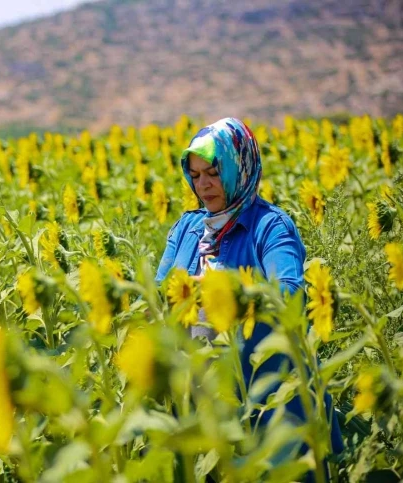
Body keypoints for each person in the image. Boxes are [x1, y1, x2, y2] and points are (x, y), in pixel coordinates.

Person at [155, 118, 343, 468]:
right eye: (195, 176)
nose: (204, 185)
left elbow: (289, 296)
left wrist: (224, 291)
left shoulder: (269, 226)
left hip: (270, 407)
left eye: (213, 172)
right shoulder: (186, 230)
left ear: (239, 166)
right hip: (203, 411)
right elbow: (155, 297)